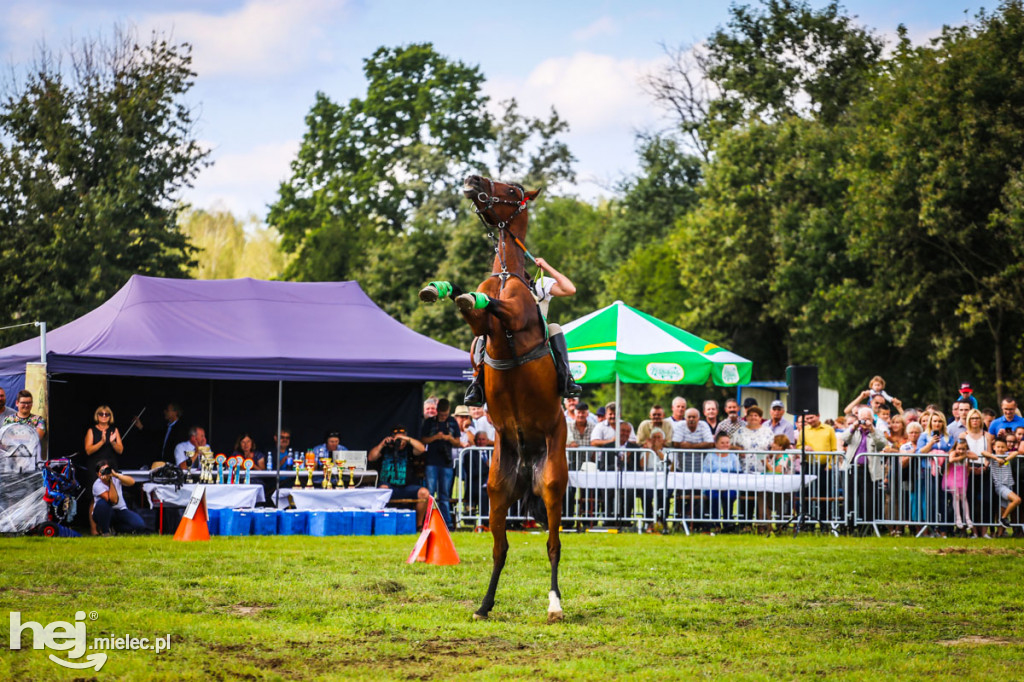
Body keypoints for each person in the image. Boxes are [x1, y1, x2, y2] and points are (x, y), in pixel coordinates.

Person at [441, 256, 581, 406]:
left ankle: (565, 378)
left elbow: (570, 289)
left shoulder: (538, 284)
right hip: (502, 335)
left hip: (536, 333)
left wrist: (546, 266)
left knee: (555, 327)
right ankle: (477, 383)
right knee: (483, 335)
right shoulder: (496, 288)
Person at [368, 425, 430, 528]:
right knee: (382, 489)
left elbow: (422, 449)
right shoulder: (386, 448)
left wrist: (406, 439)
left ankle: (419, 525)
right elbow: (371, 457)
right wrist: (382, 444)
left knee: (424, 493)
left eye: (401, 439)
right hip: (389, 486)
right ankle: (382, 522)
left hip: (407, 487)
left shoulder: (410, 449)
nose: (399, 442)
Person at [840, 406, 888, 528]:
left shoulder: (876, 432)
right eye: (862, 418)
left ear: (872, 419)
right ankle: (848, 526)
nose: (865, 421)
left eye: (867, 419)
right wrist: (853, 427)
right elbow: (843, 439)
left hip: (869, 470)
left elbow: (882, 444)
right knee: (850, 498)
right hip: (852, 468)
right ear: (858, 418)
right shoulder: (853, 430)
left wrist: (871, 429)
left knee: (867, 500)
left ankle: (867, 527)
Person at [421, 398, 461, 531]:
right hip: (432, 462)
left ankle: (447, 524)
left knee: (444, 496)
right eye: (441, 414)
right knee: (430, 494)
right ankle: (428, 522)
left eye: (445, 414)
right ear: (437, 411)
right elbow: (423, 439)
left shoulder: (452, 422)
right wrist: (435, 438)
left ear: (449, 411)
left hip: (446, 462)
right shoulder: (429, 422)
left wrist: (449, 438)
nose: (443, 417)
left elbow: (457, 442)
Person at [915, 410, 953, 535]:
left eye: (940, 421)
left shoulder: (948, 437)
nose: (937, 424)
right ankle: (931, 528)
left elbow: (952, 451)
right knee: (931, 500)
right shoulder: (924, 436)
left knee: (943, 500)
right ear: (930, 422)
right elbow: (919, 453)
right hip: (927, 472)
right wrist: (931, 443)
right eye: (935, 421)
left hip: (944, 472)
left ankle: (943, 529)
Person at [91, 461, 147, 535]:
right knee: (103, 504)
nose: (105, 472)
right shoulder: (97, 485)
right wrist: (110, 481)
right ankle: (105, 532)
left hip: (120, 510)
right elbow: (113, 500)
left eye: (107, 469)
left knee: (139, 525)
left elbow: (132, 482)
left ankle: (115, 529)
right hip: (103, 512)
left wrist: (115, 475)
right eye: (102, 471)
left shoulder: (115, 477)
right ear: (98, 474)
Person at [702, 432, 742, 529]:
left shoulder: (733, 456)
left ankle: (727, 522)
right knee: (714, 496)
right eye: (722, 443)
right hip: (712, 485)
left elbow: (738, 471)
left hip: (729, 485)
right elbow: (706, 471)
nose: (725, 445)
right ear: (716, 444)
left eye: (727, 442)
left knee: (729, 495)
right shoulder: (710, 455)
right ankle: (715, 523)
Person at [986, 436, 1021, 532]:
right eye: (998, 447)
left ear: (1006, 448)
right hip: (1000, 486)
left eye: (1002, 447)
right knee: (1017, 500)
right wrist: (996, 459)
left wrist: (1005, 460)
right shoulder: (992, 458)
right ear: (994, 447)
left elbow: (1016, 452)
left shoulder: (1006, 455)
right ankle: (1004, 518)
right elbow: (983, 453)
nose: (1000, 449)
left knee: (1003, 508)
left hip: (1009, 485)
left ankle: (999, 533)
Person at [945, 436, 976, 536]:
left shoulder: (967, 453)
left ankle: (967, 518)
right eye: (959, 449)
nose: (961, 451)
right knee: (956, 496)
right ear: (956, 448)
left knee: (964, 497)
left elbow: (976, 457)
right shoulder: (954, 453)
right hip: (953, 477)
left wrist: (967, 454)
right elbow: (951, 459)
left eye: (963, 449)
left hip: (962, 478)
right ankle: (958, 517)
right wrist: (962, 456)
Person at [84, 405, 123, 476]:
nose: (104, 416)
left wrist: (113, 442)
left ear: (110, 416)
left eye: (107, 414)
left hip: (111, 466)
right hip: (95, 467)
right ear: (97, 415)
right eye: (101, 414)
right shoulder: (91, 430)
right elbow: (88, 451)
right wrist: (102, 442)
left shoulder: (114, 430)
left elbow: (120, 450)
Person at [673, 408, 715, 472]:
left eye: (694, 417)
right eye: (689, 417)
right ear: (685, 418)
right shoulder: (680, 425)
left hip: (701, 468)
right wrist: (701, 445)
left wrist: (690, 446)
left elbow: (710, 443)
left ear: (698, 418)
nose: (691, 419)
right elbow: (675, 443)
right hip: (682, 468)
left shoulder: (703, 425)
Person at [158, 403, 188, 467]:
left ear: (175, 412)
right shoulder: (166, 427)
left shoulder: (181, 428)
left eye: (168, 410)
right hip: (163, 464)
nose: (165, 412)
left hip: (173, 466)